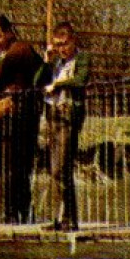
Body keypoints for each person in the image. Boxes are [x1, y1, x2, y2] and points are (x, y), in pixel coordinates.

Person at [0, 14, 45, 223]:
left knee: (12, 164)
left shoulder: (18, 50)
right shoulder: (16, 52)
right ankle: (22, 212)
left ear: (9, 32)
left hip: (18, 112)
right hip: (17, 112)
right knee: (17, 165)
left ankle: (12, 213)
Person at [41, 21, 92, 231]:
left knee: (61, 168)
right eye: (58, 45)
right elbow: (39, 80)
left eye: (65, 44)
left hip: (68, 114)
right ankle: (61, 217)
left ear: (73, 41)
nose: (62, 48)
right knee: (55, 169)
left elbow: (80, 81)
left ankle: (70, 218)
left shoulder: (82, 58)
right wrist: (46, 61)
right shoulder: (56, 62)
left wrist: (58, 85)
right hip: (52, 114)